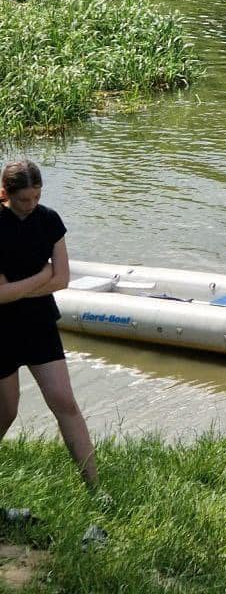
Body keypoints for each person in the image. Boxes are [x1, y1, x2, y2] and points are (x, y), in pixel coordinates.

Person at [0, 159, 99, 489]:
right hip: (1, 330)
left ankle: (94, 487)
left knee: (64, 402)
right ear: (6, 193)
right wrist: (42, 275)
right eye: (23, 200)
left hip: (40, 324)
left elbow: (63, 279)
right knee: (7, 411)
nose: (31, 205)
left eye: (36, 197)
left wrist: (21, 288)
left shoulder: (50, 221)